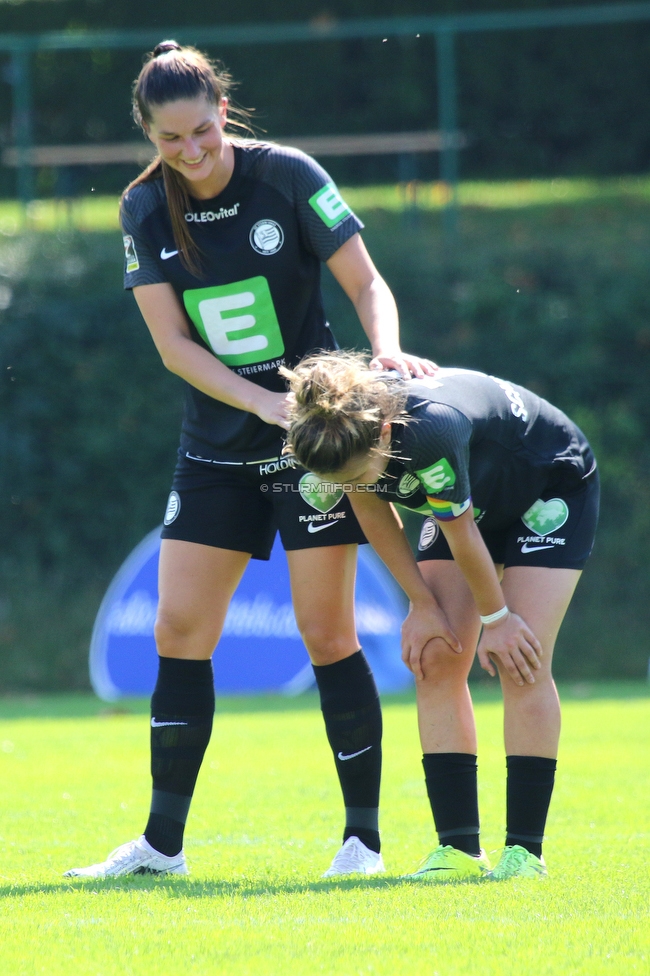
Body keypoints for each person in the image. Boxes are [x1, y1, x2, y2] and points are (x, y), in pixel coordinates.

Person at [64, 42, 435, 879]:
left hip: (316, 447)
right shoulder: (143, 210)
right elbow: (171, 345)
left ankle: (362, 844)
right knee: (178, 631)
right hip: (218, 446)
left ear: (223, 111)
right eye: (170, 140)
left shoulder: (290, 177)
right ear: (149, 135)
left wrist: (387, 351)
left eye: (201, 131)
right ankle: (162, 846)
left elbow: (366, 282)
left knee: (328, 633)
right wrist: (258, 402)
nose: (189, 152)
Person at [283, 351, 599, 881]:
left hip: (548, 482)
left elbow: (461, 533)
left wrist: (497, 620)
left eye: (362, 470)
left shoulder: (429, 430)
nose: (354, 481)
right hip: (469, 502)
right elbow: (367, 503)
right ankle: (457, 850)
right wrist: (422, 605)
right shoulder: (328, 433)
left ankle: (524, 853)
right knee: (434, 656)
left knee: (522, 659)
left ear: (384, 433)